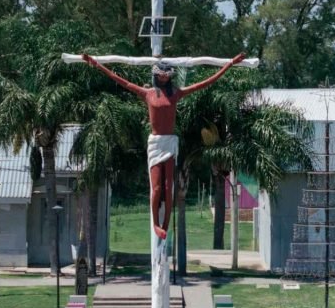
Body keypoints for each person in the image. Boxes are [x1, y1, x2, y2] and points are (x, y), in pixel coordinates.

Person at [82, 53, 246, 240]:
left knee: (169, 187)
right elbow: (120, 80)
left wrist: (230, 64)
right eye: (161, 75)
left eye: (167, 75)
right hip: (155, 143)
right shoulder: (148, 93)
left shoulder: (175, 93)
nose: (164, 78)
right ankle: (155, 224)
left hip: (169, 142)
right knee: (157, 187)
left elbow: (205, 83)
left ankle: (165, 225)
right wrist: (96, 64)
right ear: (155, 75)